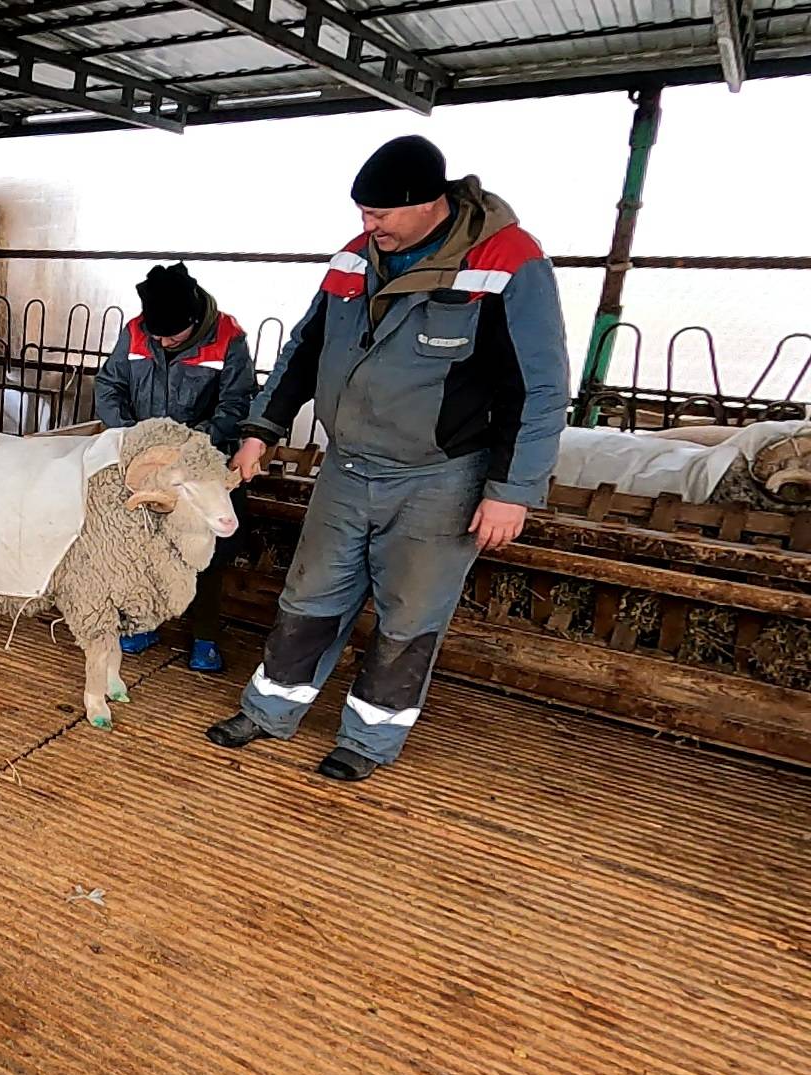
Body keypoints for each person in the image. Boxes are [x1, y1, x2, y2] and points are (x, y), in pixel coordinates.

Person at [205, 135, 569, 782]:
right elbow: (306, 346)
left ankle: (367, 741)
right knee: (309, 594)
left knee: (409, 612)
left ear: (430, 203)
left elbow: (539, 387)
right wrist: (263, 426)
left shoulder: (510, 261)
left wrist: (513, 489)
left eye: (380, 216)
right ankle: (269, 711)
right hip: (347, 465)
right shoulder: (358, 256)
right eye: (362, 214)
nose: (366, 227)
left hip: (440, 475)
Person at [94, 263, 255, 672]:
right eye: (157, 334)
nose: (163, 341)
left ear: (194, 319)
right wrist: (131, 436)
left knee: (204, 548)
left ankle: (204, 636)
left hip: (200, 463)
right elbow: (110, 385)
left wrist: (187, 447)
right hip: (145, 462)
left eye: (173, 336)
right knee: (143, 542)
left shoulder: (228, 339)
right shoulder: (135, 332)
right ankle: (144, 621)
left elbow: (234, 406)